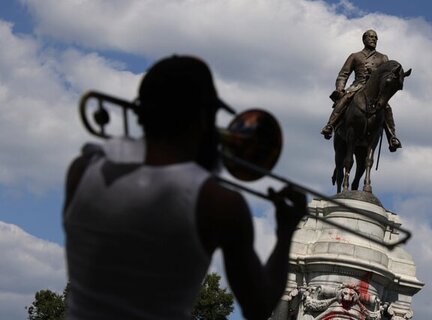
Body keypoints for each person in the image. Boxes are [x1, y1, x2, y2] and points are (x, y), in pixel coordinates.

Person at [63, 55, 307, 320]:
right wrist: (285, 232)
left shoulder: (81, 170)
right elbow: (258, 307)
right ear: (203, 117)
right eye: (213, 115)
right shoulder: (220, 204)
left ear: (141, 111)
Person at [320, 29, 402, 152]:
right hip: (358, 86)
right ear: (364, 39)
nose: (373, 39)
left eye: (375, 37)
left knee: (387, 108)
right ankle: (330, 125)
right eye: (370, 37)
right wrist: (340, 89)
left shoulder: (383, 58)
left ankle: (392, 137)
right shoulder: (355, 56)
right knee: (345, 99)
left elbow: (387, 77)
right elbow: (343, 74)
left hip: (375, 91)